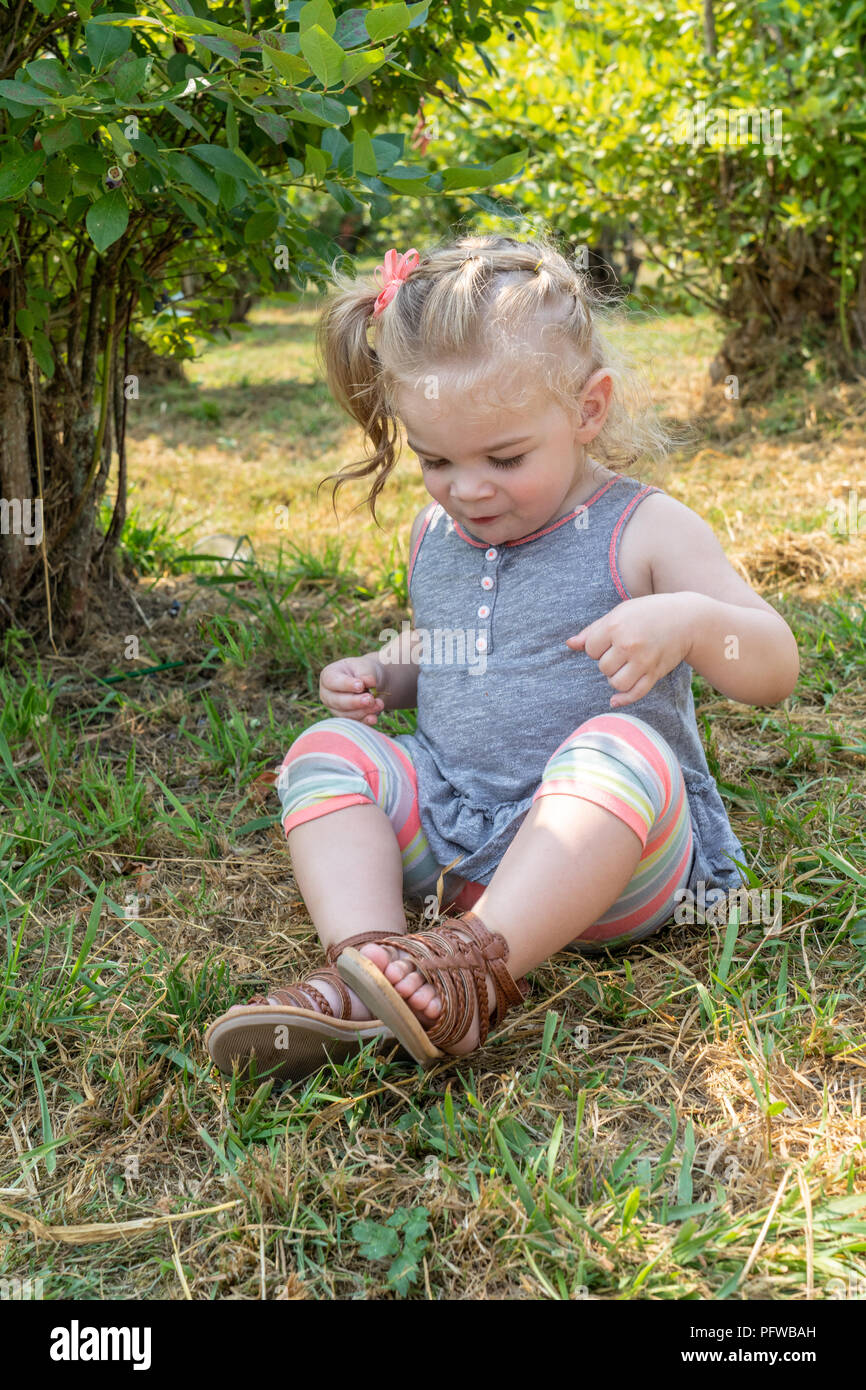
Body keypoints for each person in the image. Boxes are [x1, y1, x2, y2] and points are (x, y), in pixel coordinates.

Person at [205, 232, 799, 1083]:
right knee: (322, 750)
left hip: (614, 864)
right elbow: (450, 651)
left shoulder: (646, 530)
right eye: (436, 459)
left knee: (623, 749)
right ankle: (367, 968)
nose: (469, 488)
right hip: (456, 838)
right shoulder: (437, 533)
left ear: (587, 410)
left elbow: (775, 669)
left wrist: (694, 623)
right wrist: (389, 673)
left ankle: (472, 967)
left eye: (505, 458)